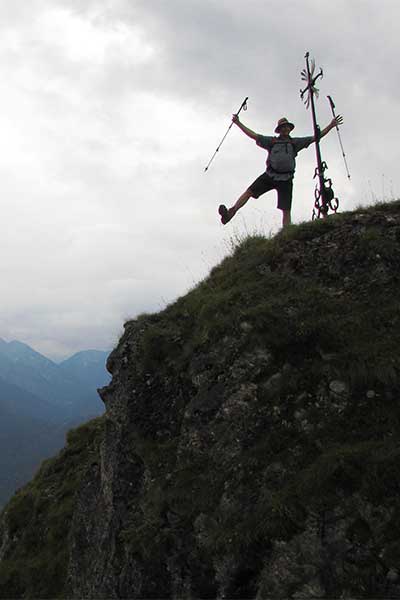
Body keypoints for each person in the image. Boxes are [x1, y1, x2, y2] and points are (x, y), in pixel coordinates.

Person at [218, 114, 343, 227]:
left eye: (287, 127)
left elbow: (315, 137)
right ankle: (231, 212)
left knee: (286, 209)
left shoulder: (295, 142)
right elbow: (254, 135)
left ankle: (286, 233)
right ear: (279, 130)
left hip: (286, 179)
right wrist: (238, 123)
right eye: (283, 127)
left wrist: (331, 126)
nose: (285, 129)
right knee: (249, 192)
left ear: (289, 129)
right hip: (270, 175)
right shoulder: (272, 141)